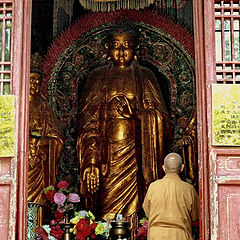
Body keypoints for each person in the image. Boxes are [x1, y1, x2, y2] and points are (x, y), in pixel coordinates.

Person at [77, 27, 170, 238]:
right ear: (107, 49)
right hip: (106, 154)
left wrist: (137, 115)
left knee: (135, 209)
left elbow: (162, 118)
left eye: (127, 47)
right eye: (116, 47)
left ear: (135, 50)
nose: (121, 52)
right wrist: (91, 161)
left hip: (136, 156)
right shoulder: (97, 76)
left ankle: (137, 231)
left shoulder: (145, 75)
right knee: (105, 206)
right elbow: (87, 123)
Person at [142, 152, 198, 240]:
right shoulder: (189, 189)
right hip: (180, 235)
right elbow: (195, 216)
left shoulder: (153, 186)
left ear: (164, 168)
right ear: (182, 167)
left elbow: (147, 211)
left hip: (156, 235)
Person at [28, 71, 64, 206]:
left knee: (39, 201)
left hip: (40, 162)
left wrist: (42, 142)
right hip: (23, 161)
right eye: (31, 80)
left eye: (38, 81)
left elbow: (57, 138)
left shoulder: (44, 106)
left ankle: (38, 223)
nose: (34, 84)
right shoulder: (16, 104)